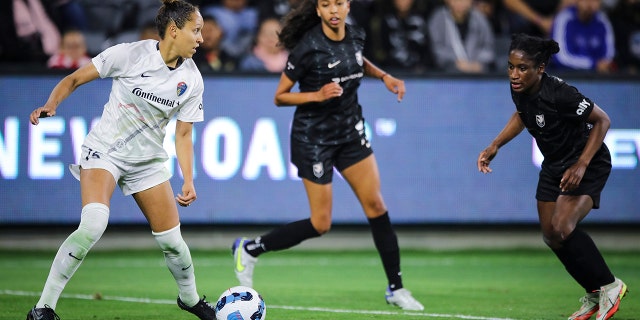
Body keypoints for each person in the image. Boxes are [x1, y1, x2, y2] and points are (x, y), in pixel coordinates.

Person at [25, 1, 216, 319]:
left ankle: (190, 299)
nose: (201, 38)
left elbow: (183, 135)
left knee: (173, 244)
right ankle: (43, 308)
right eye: (195, 31)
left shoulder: (192, 79)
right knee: (93, 224)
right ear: (173, 30)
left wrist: (188, 180)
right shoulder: (129, 55)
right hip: (106, 152)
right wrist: (51, 104)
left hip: (148, 162)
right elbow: (73, 79)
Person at [231, 0, 424, 311]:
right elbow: (280, 96)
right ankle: (250, 249)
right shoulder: (308, 48)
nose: (333, 9)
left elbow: (359, 62)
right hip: (314, 139)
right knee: (321, 224)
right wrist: (317, 95)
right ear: (318, 10)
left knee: (376, 205)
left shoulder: (356, 34)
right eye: (326, 4)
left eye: (338, 3)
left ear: (347, 6)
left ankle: (396, 288)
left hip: (350, 134)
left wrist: (385, 76)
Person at [477, 33, 627, 320]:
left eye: (522, 68)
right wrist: (496, 144)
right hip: (555, 163)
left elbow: (602, 120)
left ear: (540, 69)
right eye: (510, 67)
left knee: (562, 225)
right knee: (551, 235)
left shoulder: (562, 94)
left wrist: (582, 164)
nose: (514, 74)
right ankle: (595, 294)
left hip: (587, 160)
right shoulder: (518, 88)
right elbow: (522, 114)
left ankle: (610, 285)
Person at [427, 0, 496, 73]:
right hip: (447, 75)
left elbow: (488, 47)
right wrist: (456, 63)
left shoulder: (480, 19)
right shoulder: (438, 19)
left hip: (477, 73)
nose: (460, 2)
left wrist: (476, 64)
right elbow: (436, 49)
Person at [550, 0, 615, 73]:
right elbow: (560, 57)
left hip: (597, 77)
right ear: (577, 1)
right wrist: (593, 64)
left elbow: (609, 55)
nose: (590, 4)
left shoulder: (602, 20)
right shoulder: (564, 18)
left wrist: (603, 64)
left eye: (595, 1)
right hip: (566, 75)